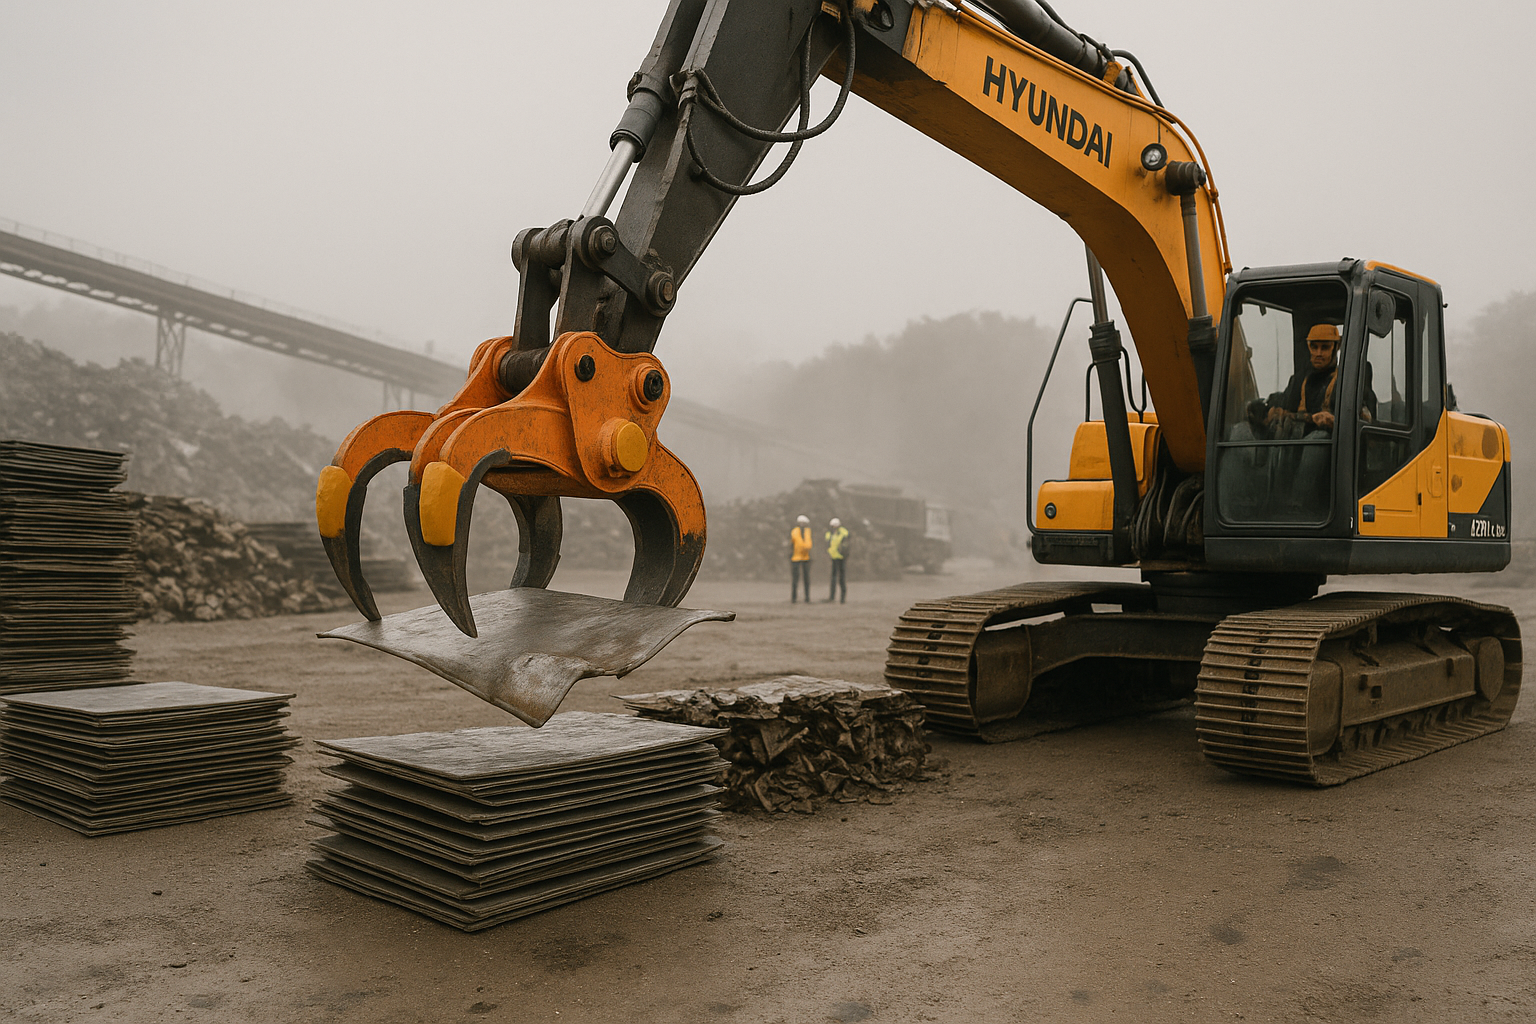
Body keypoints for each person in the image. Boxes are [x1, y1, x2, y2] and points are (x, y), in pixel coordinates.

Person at [824, 517, 849, 603]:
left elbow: (846, 544)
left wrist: (843, 552)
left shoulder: (844, 532)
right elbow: (827, 544)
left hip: (841, 558)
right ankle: (832, 597)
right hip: (833, 557)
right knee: (833, 578)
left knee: (841, 578)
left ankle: (843, 598)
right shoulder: (829, 534)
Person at [789, 514, 813, 603]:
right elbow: (796, 543)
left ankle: (807, 597)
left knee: (806, 579)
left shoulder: (807, 532)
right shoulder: (794, 531)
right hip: (796, 557)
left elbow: (809, 544)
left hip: (805, 557)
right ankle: (794, 598)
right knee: (795, 579)